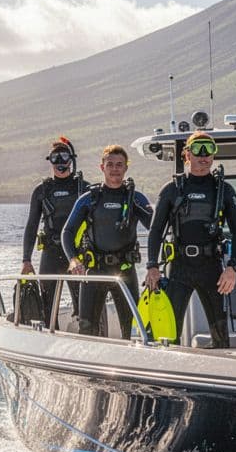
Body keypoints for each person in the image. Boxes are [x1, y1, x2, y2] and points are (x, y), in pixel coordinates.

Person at [144, 131, 236, 348]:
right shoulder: (172, 189)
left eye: (209, 149)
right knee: (169, 335)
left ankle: (221, 378)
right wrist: (152, 265)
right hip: (179, 267)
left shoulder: (224, 190)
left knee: (220, 334)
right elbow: (155, 231)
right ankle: (169, 378)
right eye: (198, 149)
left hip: (212, 268)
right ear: (186, 154)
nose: (204, 155)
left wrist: (233, 268)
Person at [62, 145, 153, 338]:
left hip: (125, 270)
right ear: (102, 167)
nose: (114, 169)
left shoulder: (135, 198)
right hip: (94, 271)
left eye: (119, 164)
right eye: (110, 164)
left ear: (126, 168)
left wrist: (154, 265)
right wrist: (74, 260)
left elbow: (155, 230)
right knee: (87, 328)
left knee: (133, 329)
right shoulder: (89, 199)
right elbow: (68, 232)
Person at [21, 138, 92, 321]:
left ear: (71, 159)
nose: (60, 161)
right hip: (51, 253)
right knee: (47, 306)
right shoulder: (42, 190)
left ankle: (87, 336)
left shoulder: (84, 189)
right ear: (50, 160)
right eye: (55, 157)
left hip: (77, 254)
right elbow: (31, 225)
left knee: (84, 306)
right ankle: (49, 338)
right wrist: (26, 260)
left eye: (64, 156)